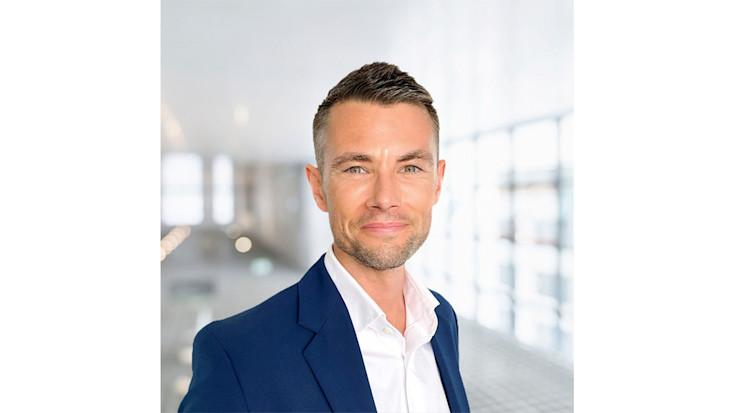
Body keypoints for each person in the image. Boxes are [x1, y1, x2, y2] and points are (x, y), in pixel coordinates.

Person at [179, 62, 470, 412]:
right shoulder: (236, 355)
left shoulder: (442, 321)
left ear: (437, 182)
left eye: (409, 168)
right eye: (357, 169)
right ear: (318, 188)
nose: (385, 198)